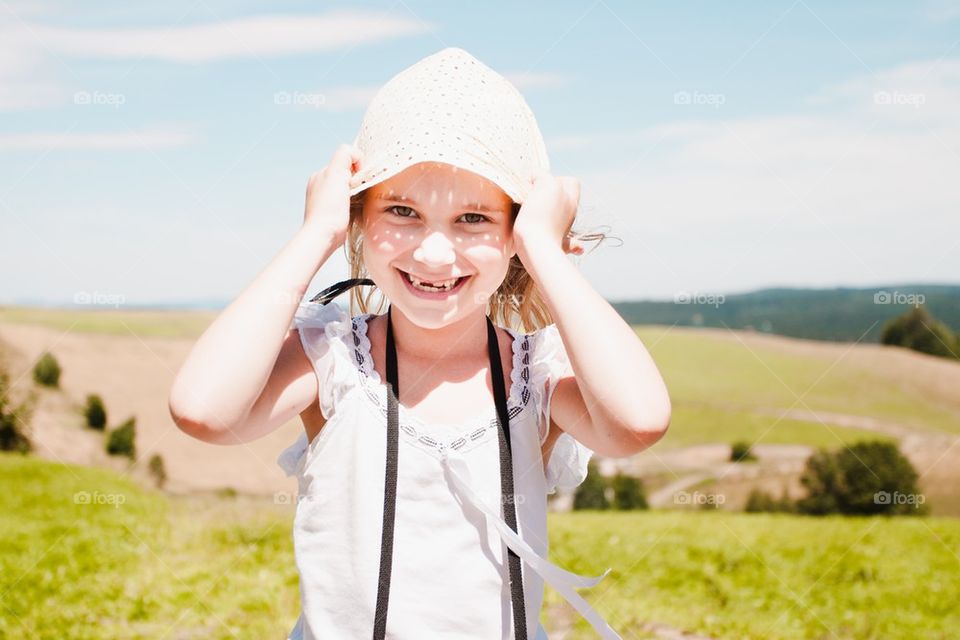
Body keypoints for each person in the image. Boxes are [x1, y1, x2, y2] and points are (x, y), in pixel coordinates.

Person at [169, 47, 671, 640]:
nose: (435, 254)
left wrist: (544, 252)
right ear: (358, 216)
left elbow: (636, 423)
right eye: (402, 210)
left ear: (518, 230)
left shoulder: (536, 375)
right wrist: (316, 233)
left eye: (475, 219)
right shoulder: (334, 362)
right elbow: (203, 411)